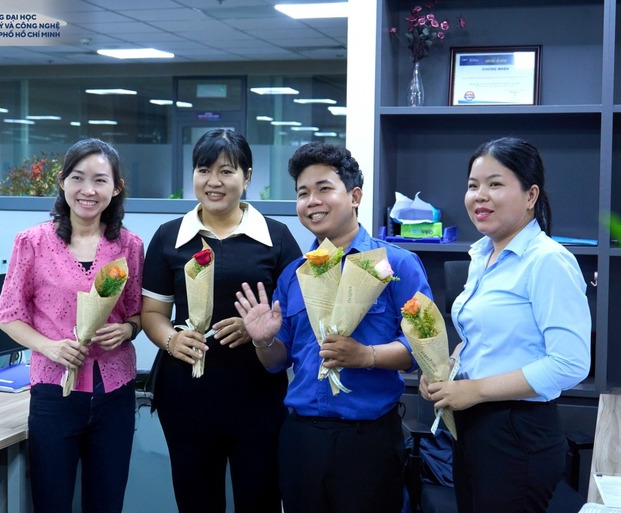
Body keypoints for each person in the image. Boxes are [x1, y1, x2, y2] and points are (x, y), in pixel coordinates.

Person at [235, 141, 432, 513]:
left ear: (355, 196)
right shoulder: (294, 274)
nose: (312, 201)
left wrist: (365, 355)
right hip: (302, 439)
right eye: (302, 193)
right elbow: (277, 363)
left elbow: (422, 349)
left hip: (368, 439)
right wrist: (262, 342)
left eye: (324, 189)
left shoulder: (397, 265)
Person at [419, 137, 591, 512]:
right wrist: (445, 372)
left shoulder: (547, 260)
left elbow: (570, 363)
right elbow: (484, 339)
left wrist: (475, 389)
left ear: (531, 195)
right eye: (473, 185)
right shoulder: (483, 254)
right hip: (472, 426)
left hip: (517, 432)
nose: (480, 196)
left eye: (495, 184)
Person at [141, 128, 302, 513]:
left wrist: (256, 330)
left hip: (258, 394)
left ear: (247, 177)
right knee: (196, 501)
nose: (213, 181)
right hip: (187, 395)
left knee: (260, 500)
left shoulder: (276, 238)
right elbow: (152, 313)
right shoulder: (169, 237)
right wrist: (171, 340)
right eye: (204, 170)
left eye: (226, 171)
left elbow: (297, 316)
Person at [0, 138, 144, 513]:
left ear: (116, 188)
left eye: (99, 180)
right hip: (53, 393)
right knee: (52, 502)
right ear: (62, 182)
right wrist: (50, 346)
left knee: (107, 503)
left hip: (114, 393)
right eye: (77, 178)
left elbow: (138, 312)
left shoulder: (130, 246)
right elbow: (8, 314)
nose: (88, 190)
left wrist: (127, 330)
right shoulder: (31, 242)